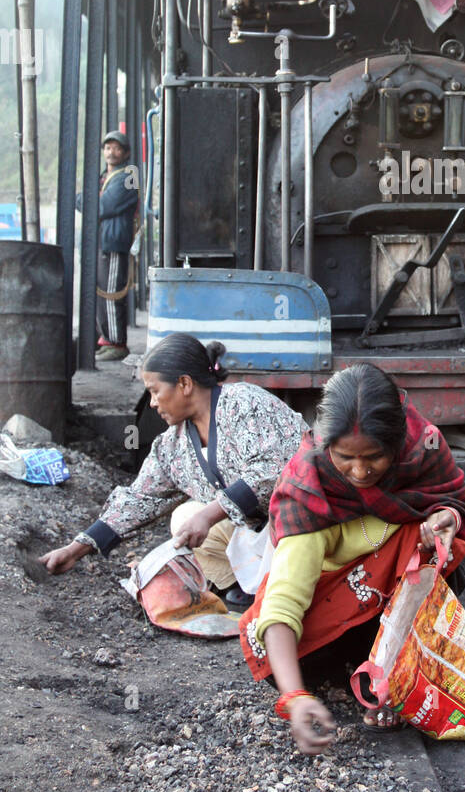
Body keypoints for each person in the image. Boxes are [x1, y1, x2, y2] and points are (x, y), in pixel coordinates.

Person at [239, 362, 465, 755]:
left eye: (374, 457)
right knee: (282, 651)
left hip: (392, 608)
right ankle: (357, 670)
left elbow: (459, 503)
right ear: (325, 445)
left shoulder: (424, 449)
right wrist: (295, 696)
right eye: (345, 457)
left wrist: (447, 518)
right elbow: (285, 598)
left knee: (430, 549)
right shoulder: (310, 485)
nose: (359, 471)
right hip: (325, 628)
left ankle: (395, 672)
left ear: (398, 443)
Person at [39, 333, 308, 608]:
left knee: (200, 515)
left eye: (155, 391)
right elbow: (140, 499)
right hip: (260, 530)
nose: (153, 402)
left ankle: (289, 588)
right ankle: (244, 589)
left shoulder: (244, 402)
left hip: (302, 521)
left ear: (184, 384)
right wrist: (76, 549)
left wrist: (209, 514)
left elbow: (275, 467)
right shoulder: (172, 445)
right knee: (184, 518)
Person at [75, 130, 140, 361]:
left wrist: (88, 200)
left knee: (111, 293)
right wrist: (88, 200)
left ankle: (116, 342)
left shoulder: (130, 175)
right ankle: (105, 338)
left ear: (126, 153)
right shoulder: (104, 177)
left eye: (116, 148)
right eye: (108, 148)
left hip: (113, 242)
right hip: (101, 241)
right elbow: (81, 200)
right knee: (100, 293)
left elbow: (103, 206)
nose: (111, 152)